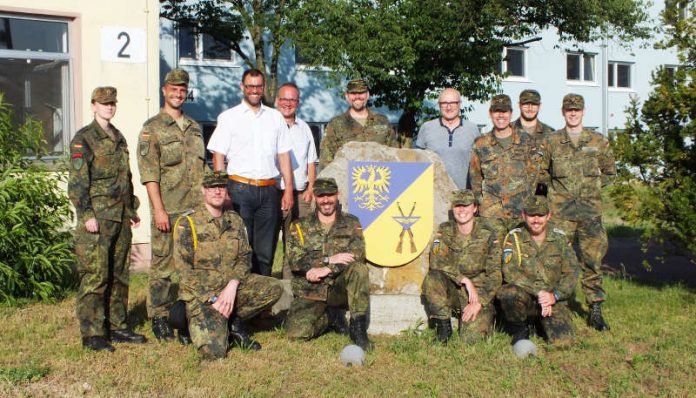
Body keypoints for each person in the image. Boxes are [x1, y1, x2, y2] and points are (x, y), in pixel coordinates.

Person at [169, 171, 282, 360]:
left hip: (231, 289)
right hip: (203, 295)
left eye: (221, 187)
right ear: (203, 190)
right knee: (214, 352)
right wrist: (213, 298)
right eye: (212, 187)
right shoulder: (187, 223)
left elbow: (245, 257)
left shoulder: (235, 220)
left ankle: (233, 321)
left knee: (273, 288)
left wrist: (233, 284)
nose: (217, 191)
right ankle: (189, 325)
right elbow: (184, 272)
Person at [69, 86, 146, 351]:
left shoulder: (119, 137)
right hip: (98, 219)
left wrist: (132, 209)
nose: (109, 107)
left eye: (112, 103)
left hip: (120, 216)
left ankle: (117, 326)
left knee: (120, 274)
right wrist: (87, 215)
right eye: (104, 103)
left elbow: (126, 178)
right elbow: (78, 184)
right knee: (96, 275)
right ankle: (92, 332)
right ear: (93, 106)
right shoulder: (84, 139)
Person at [137, 68, 207, 341]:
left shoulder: (194, 127)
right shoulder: (152, 128)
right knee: (164, 267)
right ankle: (160, 317)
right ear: (164, 91)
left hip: (195, 210)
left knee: (193, 265)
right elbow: (149, 173)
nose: (178, 93)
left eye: (182, 90)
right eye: (173, 89)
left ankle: (190, 313)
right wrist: (159, 209)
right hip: (169, 208)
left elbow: (200, 169)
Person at [207, 68, 294, 277]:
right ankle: (240, 302)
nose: (254, 91)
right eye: (250, 86)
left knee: (266, 252)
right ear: (242, 87)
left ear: (263, 88)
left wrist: (288, 189)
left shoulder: (275, 118)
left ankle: (262, 304)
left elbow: (283, 156)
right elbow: (218, 156)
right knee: (240, 248)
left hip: (269, 191)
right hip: (239, 190)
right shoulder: (229, 117)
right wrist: (222, 190)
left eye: (258, 86)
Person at [540, 93, 616, 331]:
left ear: (583, 112)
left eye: (577, 109)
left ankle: (594, 309)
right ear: (563, 112)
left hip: (589, 213)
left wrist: (590, 191)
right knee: (556, 260)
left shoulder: (599, 142)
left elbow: (610, 174)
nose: (573, 113)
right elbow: (542, 173)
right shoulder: (551, 141)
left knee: (592, 262)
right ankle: (554, 306)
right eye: (569, 109)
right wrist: (555, 195)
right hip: (561, 213)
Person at [285, 178, 372, 351]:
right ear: (315, 197)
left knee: (359, 269)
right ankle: (330, 318)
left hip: (338, 289)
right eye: (321, 195)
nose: (326, 200)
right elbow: (295, 259)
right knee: (296, 334)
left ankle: (358, 329)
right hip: (310, 290)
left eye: (330, 195)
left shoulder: (351, 222)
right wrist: (327, 259)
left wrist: (327, 269)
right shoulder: (299, 226)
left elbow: (357, 254)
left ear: (337, 195)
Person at [498, 195, 580, 346]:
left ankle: (541, 324)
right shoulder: (514, 237)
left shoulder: (560, 238)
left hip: (552, 301)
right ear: (524, 215)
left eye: (540, 215)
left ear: (548, 216)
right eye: (531, 215)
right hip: (526, 298)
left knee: (564, 342)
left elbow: (572, 273)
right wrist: (539, 292)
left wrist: (554, 296)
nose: (536, 220)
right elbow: (509, 272)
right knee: (507, 292)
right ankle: (521, 329)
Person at [421, 190, 502, 344]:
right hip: (452, 289)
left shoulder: (488, 233)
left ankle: (478, 319)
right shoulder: (445, 230)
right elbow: (436, 262)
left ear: (474, 208)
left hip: (477, 294)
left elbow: (495, 274)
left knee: (472, 341)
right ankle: (443, 328)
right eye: (457, 205)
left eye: (466, 205)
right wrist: (463, 279)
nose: (461, 209)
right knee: (433, 278)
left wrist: (480, 302)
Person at [469, 94, 543, 229]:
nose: (501, 116)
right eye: (497, 111)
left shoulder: (527, 142)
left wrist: (527, 202)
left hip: (520, 213)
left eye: (504, 111)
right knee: (493, 250)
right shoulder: (480, 144)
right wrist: (481, 203)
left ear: (510, 113)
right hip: (491, 214)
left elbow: (534, 176)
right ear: (490, 114)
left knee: (520, 250)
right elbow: (475, 179)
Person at [276, 82, 318, 279]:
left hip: (300, 195)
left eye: (292, 100)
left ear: (298, 103)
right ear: (277, 101)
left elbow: (311, 161)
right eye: (284, 99)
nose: (288, 103)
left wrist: (310, 187)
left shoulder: (305, 128)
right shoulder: (269, 125)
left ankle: (290, 289)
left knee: (297, 244)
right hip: (273, 193)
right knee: (267, 245)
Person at [318, 79, 398, 169]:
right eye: (353, 93)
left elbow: (394, 154)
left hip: (379, 179)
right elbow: (326, 161)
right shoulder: (336, 124)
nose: (357, 96)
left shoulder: (382, 121)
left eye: (361, 93)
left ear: (368, 95)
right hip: (345, 180)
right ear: (347, 96)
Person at [415, 88, 480, 189]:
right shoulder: (426, 128)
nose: (448, 107)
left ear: (459, 104)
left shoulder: (472, 129)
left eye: (453, 103)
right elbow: (417, 162)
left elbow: (478, 165)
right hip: (433, 193)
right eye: (444, 103)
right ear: (439, 105)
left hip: (463, 195)